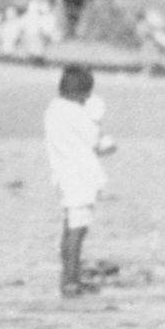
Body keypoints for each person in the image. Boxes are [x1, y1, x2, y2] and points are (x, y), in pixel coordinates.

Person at [43, 65, 113, 298]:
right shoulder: (76, 113)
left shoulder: (53, 109)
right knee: (78, 230)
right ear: (84, 92)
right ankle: (71, 281)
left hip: (63, 176)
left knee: (69, 226)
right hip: (80, 177)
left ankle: (68, 277)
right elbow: (97, 142)